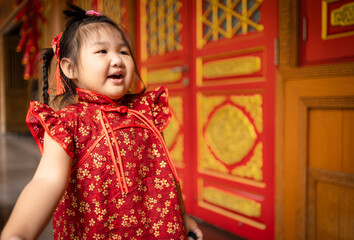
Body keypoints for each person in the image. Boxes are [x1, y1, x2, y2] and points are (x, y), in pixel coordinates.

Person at [1, 4, 203, 240]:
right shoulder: (68, 123)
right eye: (102, 52)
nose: (117, 60)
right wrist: (18, 233)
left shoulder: (144, 110)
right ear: (70, 68)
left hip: (157, 229)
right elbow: (46, 180)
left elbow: (165, 172)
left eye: (124, 52)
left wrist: (181, 215)